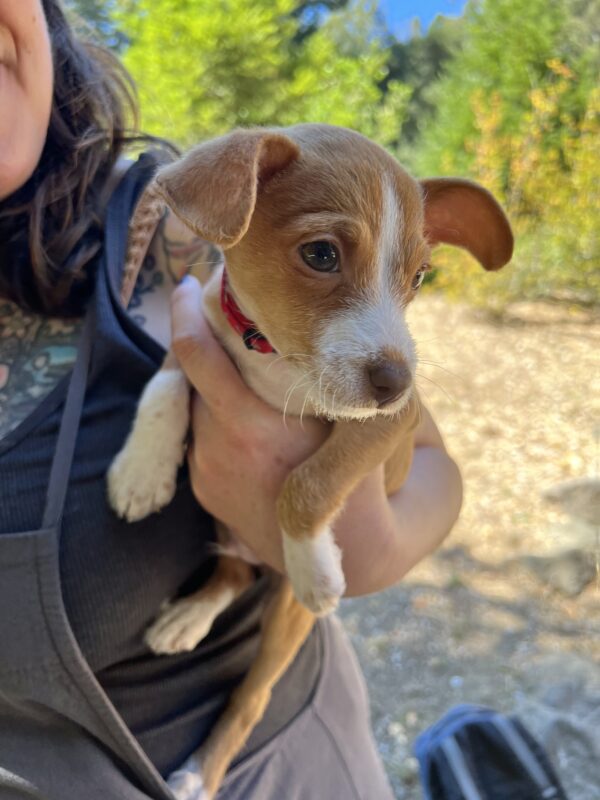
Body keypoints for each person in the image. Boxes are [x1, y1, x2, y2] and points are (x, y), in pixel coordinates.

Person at [0, 1, 463, 798]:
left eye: (413, 280)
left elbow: (420, 444)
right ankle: (220, 591)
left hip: (283, 765)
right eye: (321, 255)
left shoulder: (169, 224)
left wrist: (365, 538)